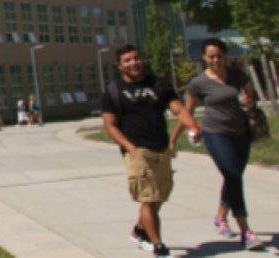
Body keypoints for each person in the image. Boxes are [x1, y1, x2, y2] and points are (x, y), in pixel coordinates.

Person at [102, 45, 196, 258]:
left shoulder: (159, 84)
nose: (133, 63)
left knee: (158, 198)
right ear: (120, 65)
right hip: (138, 152)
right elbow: (111, 126)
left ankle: (139, 230)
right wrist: (130, 148)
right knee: (149, 198)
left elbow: (179, 109)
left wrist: (193, 126)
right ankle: (158, 246)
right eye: (127, 60)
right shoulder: (114, 91)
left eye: (135, 58)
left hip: (161, 149)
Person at [184, 38, 265, 250]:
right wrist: (187, 132)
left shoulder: (237, 75)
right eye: (211, 56)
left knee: (234, 177)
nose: (216, 60)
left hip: (240, 133)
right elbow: (187, 112)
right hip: (215, 133)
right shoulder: (198, 83)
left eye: (219, 56)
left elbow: (250, 96)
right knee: (233, 176)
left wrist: (250, 101)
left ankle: (220, 218)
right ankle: (246, 231)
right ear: (204, 57)